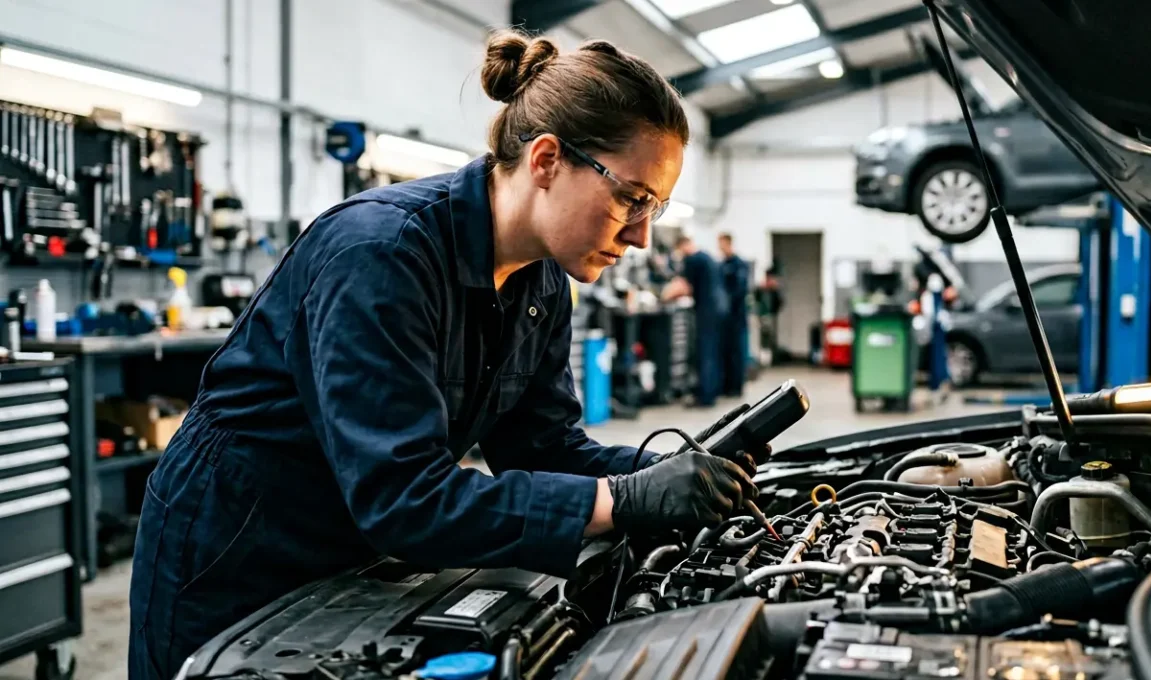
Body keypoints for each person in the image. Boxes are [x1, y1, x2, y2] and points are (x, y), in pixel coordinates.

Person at [128, 31, 763, 680]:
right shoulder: (381, 254)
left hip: (352, 545)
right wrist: (625, 500)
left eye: (654, 207)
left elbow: (543, 448)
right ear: (546, 161)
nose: (641, 235)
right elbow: (405, 496)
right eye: (633, 199)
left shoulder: (540, 280)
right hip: (235, 551)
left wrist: (677, 475)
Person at [664, 235, 728, 407]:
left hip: (707, 310)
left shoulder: (692, 259)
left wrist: (663, 297)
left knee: (705, 352)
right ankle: (713, 391)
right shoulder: (707, 256)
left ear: (683, 246)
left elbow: (682, 286)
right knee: (713, 352)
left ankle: (705, 397)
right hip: (720, 308)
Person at [718, 233, 750, 397]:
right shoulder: (722, 265)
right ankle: (727, 386)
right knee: (727, 352)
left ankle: (736, 387)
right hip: (725, 318)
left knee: (737, 353)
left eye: (722, 243)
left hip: (737, 317)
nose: (720, 247)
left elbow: (740, 290)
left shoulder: (739, 264)